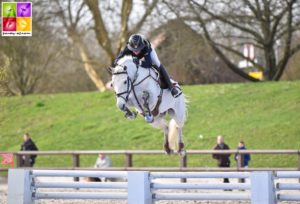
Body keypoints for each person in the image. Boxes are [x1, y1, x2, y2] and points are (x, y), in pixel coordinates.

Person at [113, 34, 179, 97]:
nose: (136, 51)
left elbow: (149, 64)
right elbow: (117, 60)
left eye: (138, 49)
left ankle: (171, 87)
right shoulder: (127, 48)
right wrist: (120, 64)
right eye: (134, 50)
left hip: (147, 53)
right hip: (134, 57)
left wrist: (139, 62)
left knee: (157, 63)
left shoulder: (146, 47)